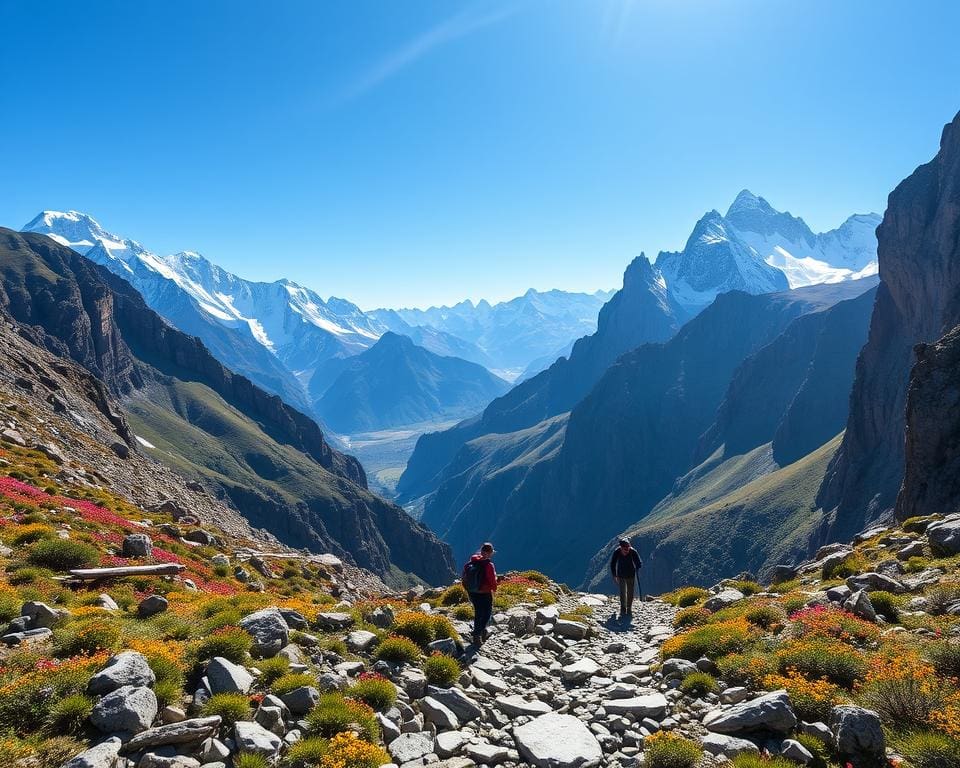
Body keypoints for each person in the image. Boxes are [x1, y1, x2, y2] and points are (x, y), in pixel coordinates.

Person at [463, 542, 498, 646]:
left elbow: (464, 575)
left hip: (472, 591)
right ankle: (477, 634)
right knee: (487, 613)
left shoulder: (472, 561)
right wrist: (495, 588)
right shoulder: (489, 565)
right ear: (490, 553)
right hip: (484, 592)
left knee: (478, 612)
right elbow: (492, 580)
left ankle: (478, 632)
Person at [610, 537, 642, 619]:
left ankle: (629, 607)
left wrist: (637, 566)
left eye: (628, 549)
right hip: (621, 575)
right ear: (621, 548)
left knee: (630, 592)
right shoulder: (617, 552)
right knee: (622, 592)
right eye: (625, 549)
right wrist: (614, 575)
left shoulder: (633, 551)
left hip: (631, 574)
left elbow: (639, 562)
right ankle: (623, 608)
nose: (627, 551)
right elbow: (613, 563)